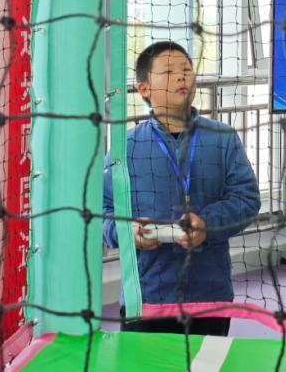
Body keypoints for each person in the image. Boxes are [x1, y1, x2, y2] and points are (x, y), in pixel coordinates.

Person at [102, 41, 260, 337]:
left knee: (206, 367)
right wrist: (126, 231)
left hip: (210, 293)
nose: (181, 76)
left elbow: (246, 199)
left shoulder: (223, 138)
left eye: (187, 69)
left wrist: (207, 224)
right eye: (168, 71)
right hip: (146, 296)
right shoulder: (125, 148)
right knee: (145, 368)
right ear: (144, 88)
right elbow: (102, 209)